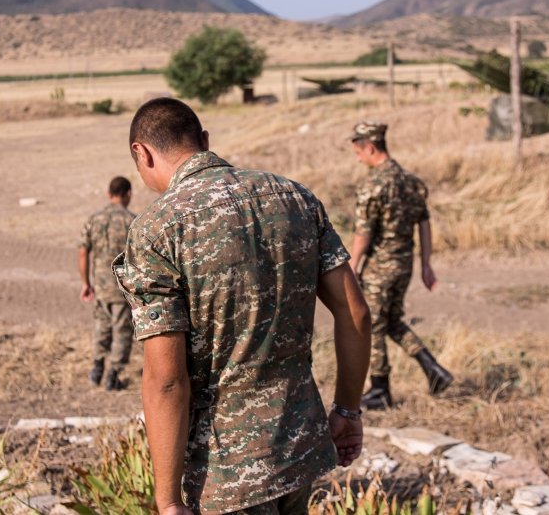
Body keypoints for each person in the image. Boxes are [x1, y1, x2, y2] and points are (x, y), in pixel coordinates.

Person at [112, 98, 371, 515]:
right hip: (298, 450)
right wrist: (347, 409)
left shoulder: (158, 230)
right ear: (205, 141)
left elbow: (165, 380)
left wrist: (167, 500)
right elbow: (356, 312)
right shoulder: (295, 197)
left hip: (224, 475)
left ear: (140, 154)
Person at [349, 121, 453, 410]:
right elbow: (424, 223)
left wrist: (352, 266)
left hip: (380, 268)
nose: (358, 159)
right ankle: (434, 370)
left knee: (372, 325)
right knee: (393, 321)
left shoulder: (373, 185)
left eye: (358, 152)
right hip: (404, 264)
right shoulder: (410, 181)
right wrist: (426, 264)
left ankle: (380, 389)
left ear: (370, 148)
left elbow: (363, 233)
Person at [78, 176, 135, 391]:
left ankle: (97, 368)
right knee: (122, 331)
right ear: (128, 193)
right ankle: (113, 375)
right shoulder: (132, 221)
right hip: (122, 288)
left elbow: (83, 252)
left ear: (109, 194)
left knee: (102, 328)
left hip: (101, 288)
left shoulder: (95, 220)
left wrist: (86, 283)